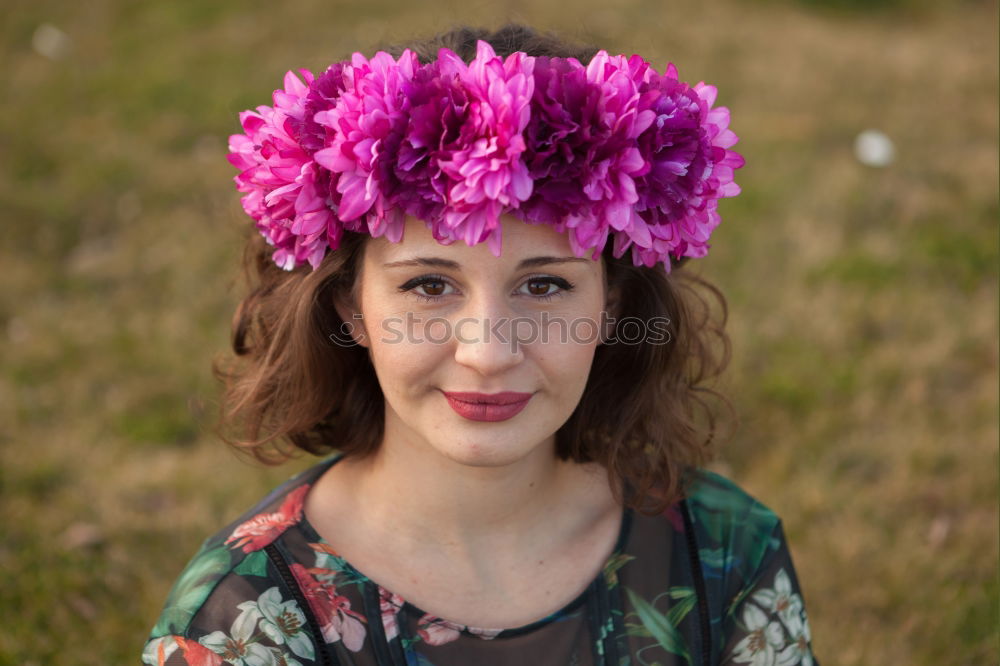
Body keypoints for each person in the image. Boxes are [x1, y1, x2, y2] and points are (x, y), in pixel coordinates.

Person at [142, 24, 817, 666]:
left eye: (546, 285)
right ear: (350, 306)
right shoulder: (246, 621)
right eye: (430, 286)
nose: (489, 352)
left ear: (611, 306)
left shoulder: (726, 553)